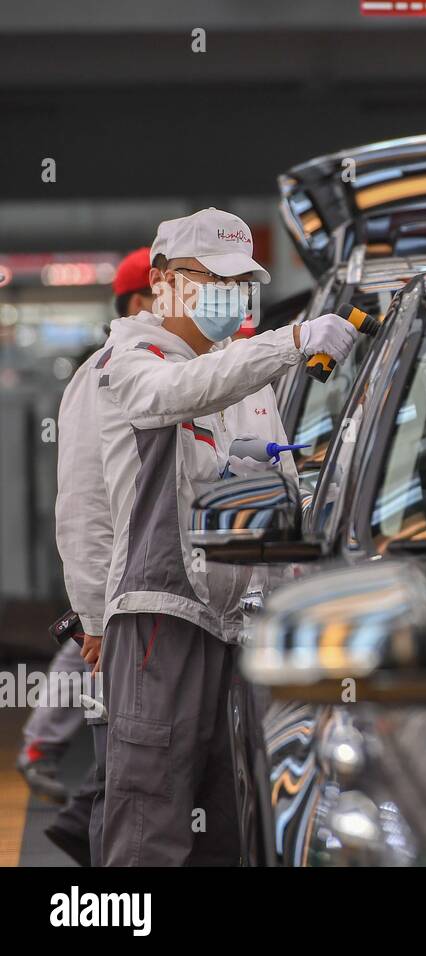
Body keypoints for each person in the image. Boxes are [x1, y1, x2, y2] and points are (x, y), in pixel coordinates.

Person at [96, 208, 358, 866]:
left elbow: (267, 481)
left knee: (230, 820)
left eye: (240, 280)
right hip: (161, 620)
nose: (228, 293)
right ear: (161, 280)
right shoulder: (133, 357)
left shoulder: (237, 369)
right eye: (211, 277)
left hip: (237, 627)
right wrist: (86, 613)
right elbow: (164, 400)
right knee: (150, 813)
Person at [17, 247, 155, 868]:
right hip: (120, 591)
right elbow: (80, 509)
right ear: (136, 301)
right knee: (121, 756)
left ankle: (76, 816)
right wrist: (93, 612)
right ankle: (46, 754)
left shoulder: (166, 366)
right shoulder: (108, 373)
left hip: (150, 592)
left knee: (131, 768)